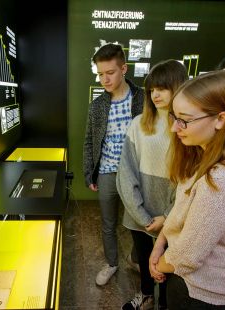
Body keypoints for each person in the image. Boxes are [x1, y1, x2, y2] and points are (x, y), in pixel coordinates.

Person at [149, 70, 225, 309]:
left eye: (185, 119)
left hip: (200, 294)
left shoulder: (221, 181)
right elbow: (180, 210)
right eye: (174, 117)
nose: (175, 128)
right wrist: (159, 244)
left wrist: (158, 264)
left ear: (221, 119)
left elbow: (187, 256)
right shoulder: (201, 157)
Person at [117, 60, 187, 310]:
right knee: (146, 260)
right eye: (151, 89)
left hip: (173, 217)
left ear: (178, 88)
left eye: (163, 88)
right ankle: (146, 296)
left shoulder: (187, 129)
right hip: (139, 216)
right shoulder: (138, 124)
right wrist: (143, 216)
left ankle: (164, 304)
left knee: (168, 265)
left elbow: (189, 183)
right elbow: (125, 174)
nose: (155, 94)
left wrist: (167, 217)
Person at [83, 43, 144, 286]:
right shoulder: (97, 106)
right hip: (106, 172)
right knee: (108, 224)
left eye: (110, 73)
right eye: (100, 74)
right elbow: (89, 140)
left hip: (135, 173)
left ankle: (136, 258)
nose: (104, 79)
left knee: (140, 224)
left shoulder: (143, 98)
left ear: (124, 69)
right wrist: (90, 174)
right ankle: (111, 262)